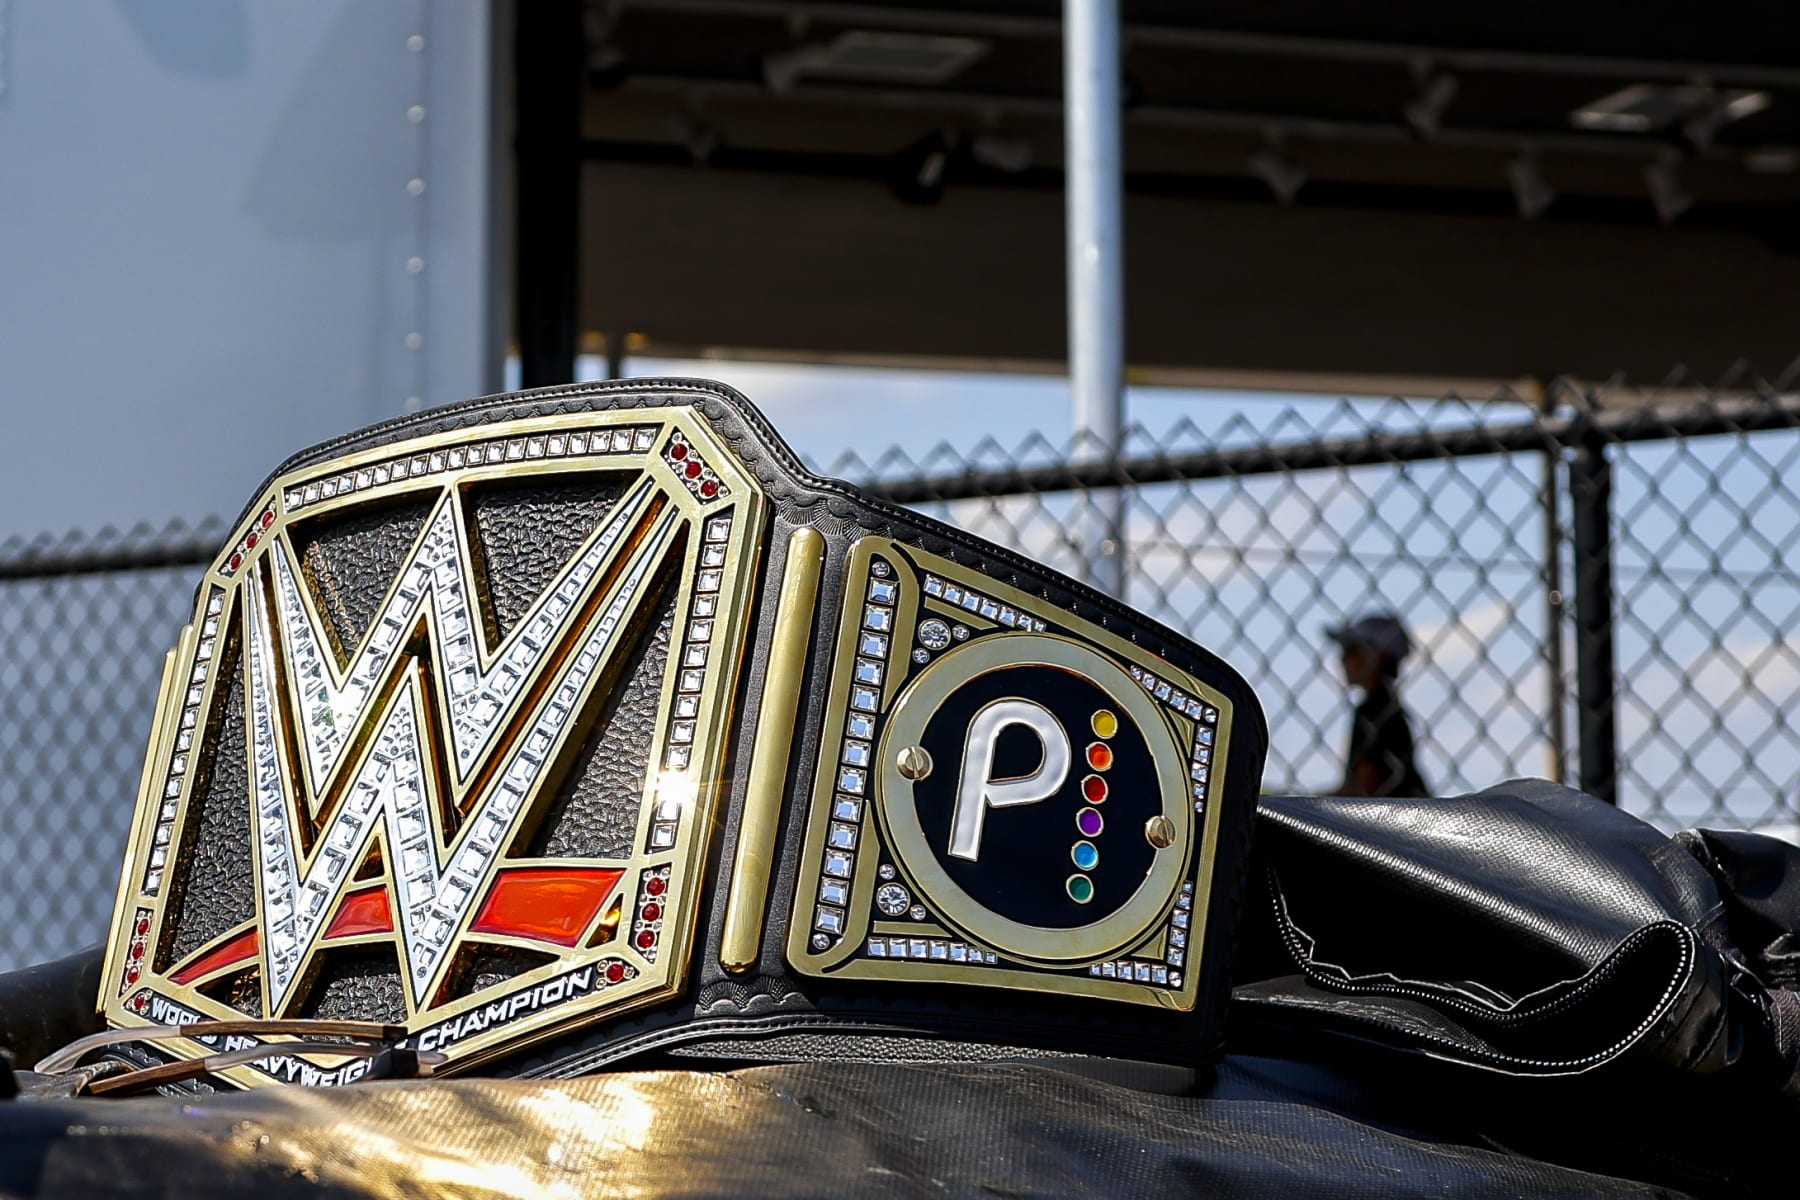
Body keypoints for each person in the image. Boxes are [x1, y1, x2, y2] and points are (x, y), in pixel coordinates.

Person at [1327, 614, 1428, 797]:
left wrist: (1293, 804)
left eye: (1350, 650)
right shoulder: (1388, 709)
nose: (1342, 661)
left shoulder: (1373, 711)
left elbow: (1363, 788)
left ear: (1377, 655)